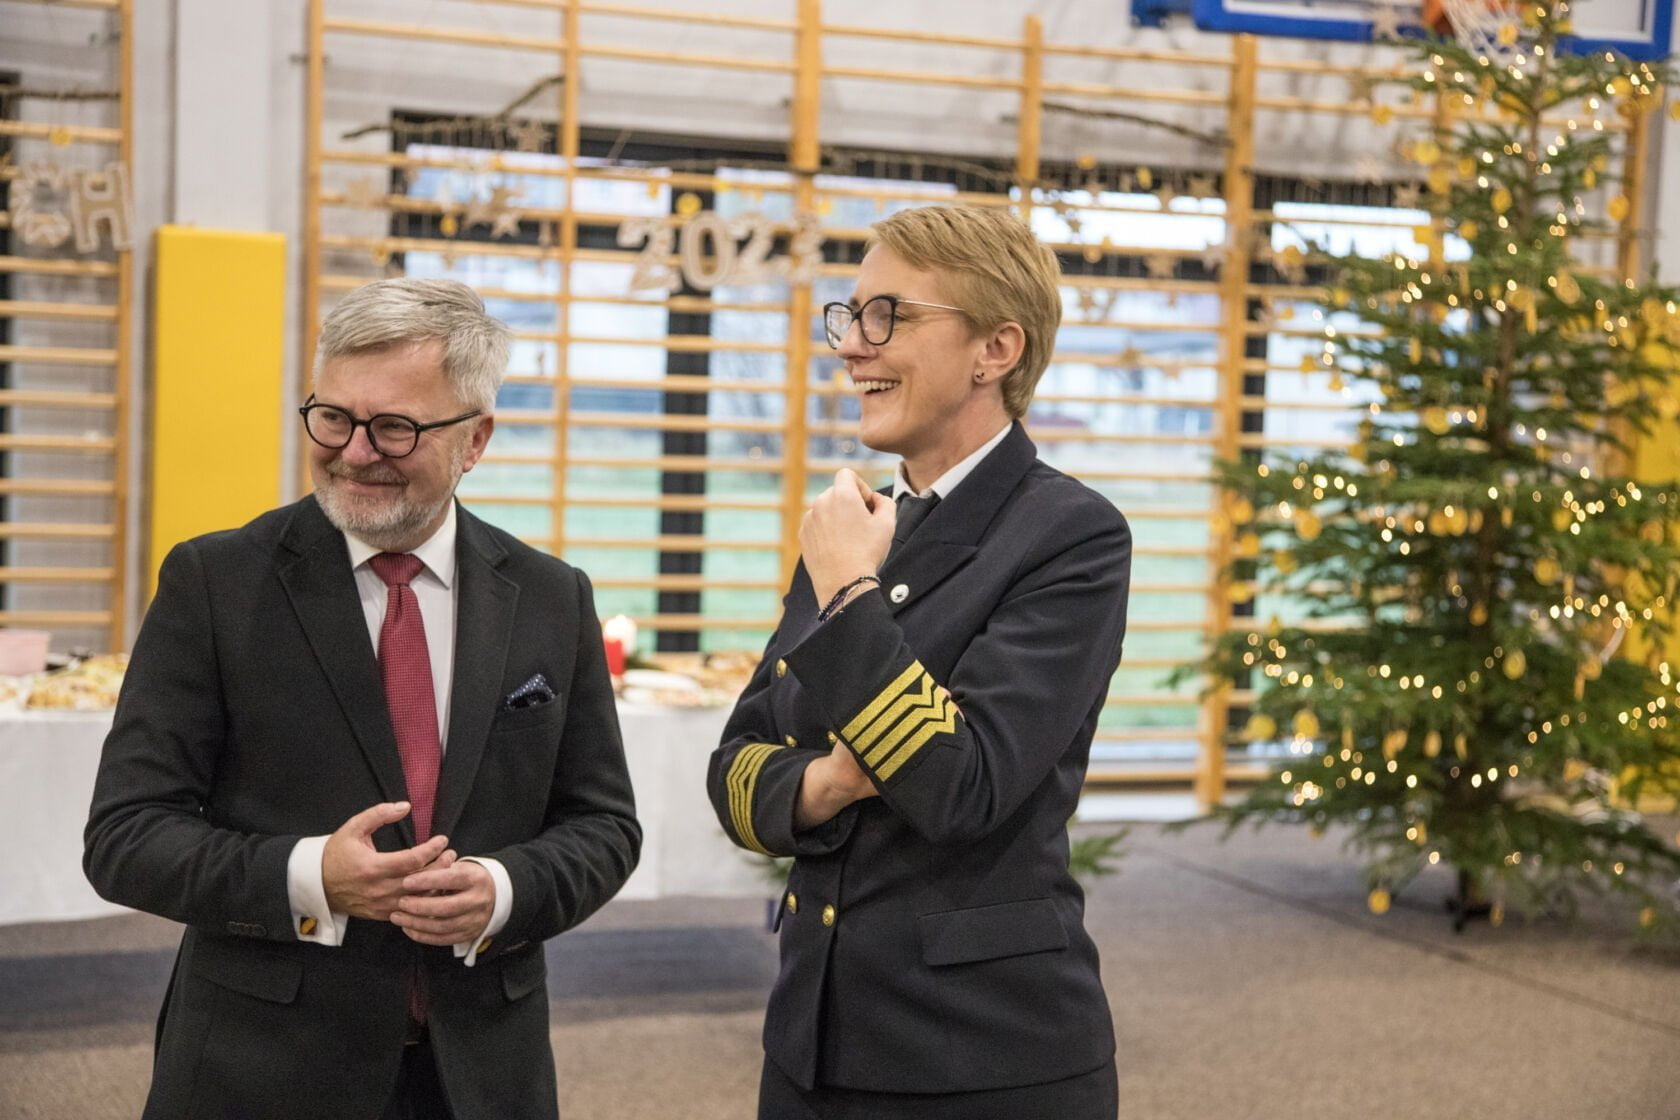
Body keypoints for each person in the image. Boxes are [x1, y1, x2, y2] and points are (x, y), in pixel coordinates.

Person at [84, 278, 640, 1120]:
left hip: (481, 1072)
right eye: (333, 417)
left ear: (476, 439)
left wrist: (504, 888)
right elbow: (125, 837)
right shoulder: (215, 583)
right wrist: (312, 878)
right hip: (261, 1069)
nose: (352, 452)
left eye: (394, 428)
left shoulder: (551, 596)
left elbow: (603, 825)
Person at [707, 205, 1132, 1118]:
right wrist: (827, 783)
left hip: (981, 1056)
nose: (851, 346)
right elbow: (734, 773)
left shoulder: (1069, 534)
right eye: (851, 315)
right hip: (812, 1040)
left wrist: (849, 594)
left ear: (996, 350)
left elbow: (961, 788)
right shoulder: (858, 525)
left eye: (888, 316)